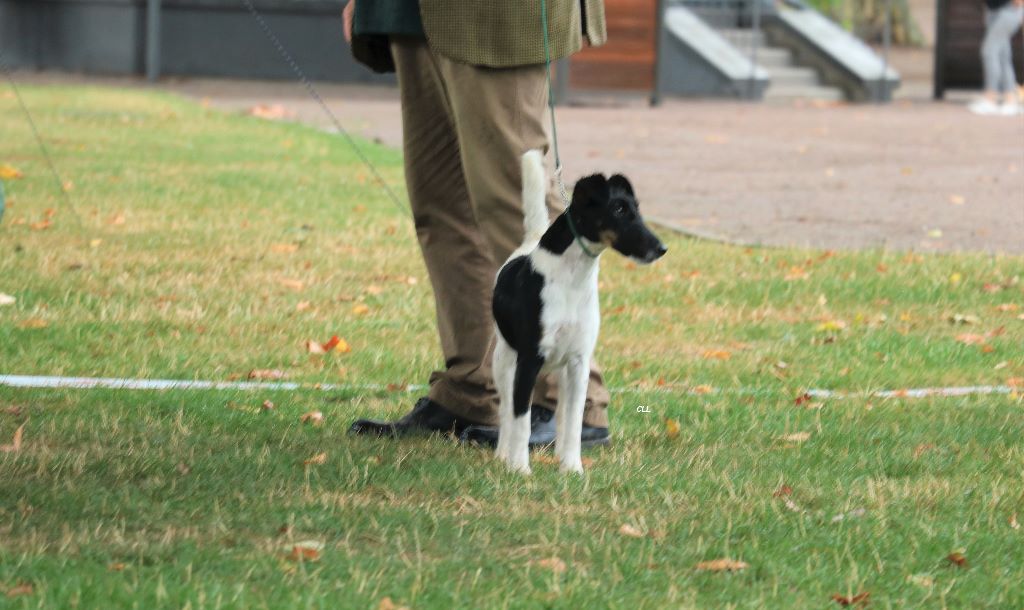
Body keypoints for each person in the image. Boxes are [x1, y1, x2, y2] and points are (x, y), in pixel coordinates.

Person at [344, 0, 614, 448]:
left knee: (516, 195)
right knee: (441, 205)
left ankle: (572, 403)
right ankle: (473, 388)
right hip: (409, 11)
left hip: (496, 15)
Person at [969, 0, 1024, 115]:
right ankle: (1010, 99)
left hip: (1009, 10)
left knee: (989, 51)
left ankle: (991, 98)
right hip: (993, 10)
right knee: (1003, 56)